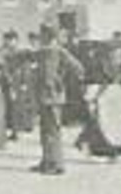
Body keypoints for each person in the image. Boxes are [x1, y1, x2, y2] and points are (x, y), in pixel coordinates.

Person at [33, 27, 83, 175]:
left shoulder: (60, 52)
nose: (41, 38)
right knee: (45, 131)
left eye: (43, 36)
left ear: (49, 36)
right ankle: (46, 161)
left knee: (53, 131)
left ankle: (57, 164)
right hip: (43, 97)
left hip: (54, 98)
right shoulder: (42, 52)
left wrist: (60, 79)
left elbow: (78, 68)